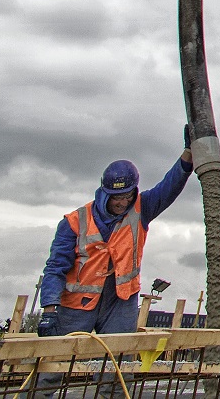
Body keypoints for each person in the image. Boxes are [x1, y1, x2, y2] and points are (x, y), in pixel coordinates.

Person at [37, 143, 193, 336]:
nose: (123, 202)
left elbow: (169, 187)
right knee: (62, 357)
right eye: (116, 197)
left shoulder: (141, 209)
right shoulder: (74, 222)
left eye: (127, 196)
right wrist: (49, 309)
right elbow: (56, 267)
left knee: (117, 360)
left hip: (120, 301)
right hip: (77, 303)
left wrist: (188, 155)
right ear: (105, 193)